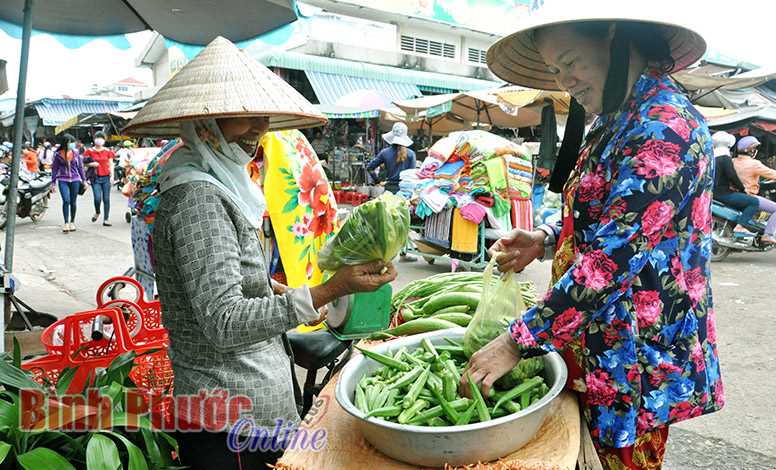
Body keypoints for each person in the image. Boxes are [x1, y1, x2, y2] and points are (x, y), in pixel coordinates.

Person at [123, 37, 397, 470]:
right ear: (206, 121)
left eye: (262, 115)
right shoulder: (198, 200)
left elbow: (225, 277)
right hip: (231, 426)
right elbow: (225, 321)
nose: (258, 127)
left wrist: (277, 289)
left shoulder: (218, 185)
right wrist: (328, 290)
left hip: (248, 417)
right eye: (243, 114)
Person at [470, 4, 723, 469]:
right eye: (555, 70)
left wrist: (516, 341)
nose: (566, 80)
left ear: (614, 36)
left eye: (570, 62)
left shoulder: (664, 126)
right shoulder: (615, 117)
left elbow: (613, 259)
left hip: (634, 358)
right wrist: (546, 237)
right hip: (595, 343)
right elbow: (603, 213)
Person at [711, 131, 761, 231]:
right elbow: (732, 175)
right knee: (754, 202)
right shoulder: (725, 157)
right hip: (722, 193)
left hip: (712, 192)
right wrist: (742, 189)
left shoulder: (712, 156)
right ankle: (740, 226)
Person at [732, 136, 776, 244]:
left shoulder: (732, 161)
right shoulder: (754, 164)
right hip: (749, 196)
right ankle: (768, 234)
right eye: (755, 149)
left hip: (735, 195)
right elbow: (772, 174)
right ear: (751, 150)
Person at [367, 122, 417, 194]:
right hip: (406, 190)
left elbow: (370, 168)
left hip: (390, 190)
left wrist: (378, 181)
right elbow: (413, 175)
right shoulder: (411, 154)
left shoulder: (384, 152)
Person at [50, 134, 85, 233]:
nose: (73, 144)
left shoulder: (76, 153)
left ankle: (72, 222)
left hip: (75, 180)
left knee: (73, 202)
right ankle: (66, 223)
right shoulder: (58, 154)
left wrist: (84, 180)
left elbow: (80, 167)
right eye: (71, 142)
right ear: (65, 143)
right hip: (63, 180)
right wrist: (53, 183)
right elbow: (54, 169)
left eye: (73, 142)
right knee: (66, 200)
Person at [83, 131, 115, 226]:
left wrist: (112, 176)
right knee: (97, 198)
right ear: (94, 139)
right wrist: (92, 164)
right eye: (97, 138)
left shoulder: (108, 151)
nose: (99, 140)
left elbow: (111, 164)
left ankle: (106, 219)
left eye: (101, 138)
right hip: (95, 177)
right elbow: (84, 163)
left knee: (106, 198)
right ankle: (97, 212)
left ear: (104, 140)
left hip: (106, 177)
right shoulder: (89, 151)